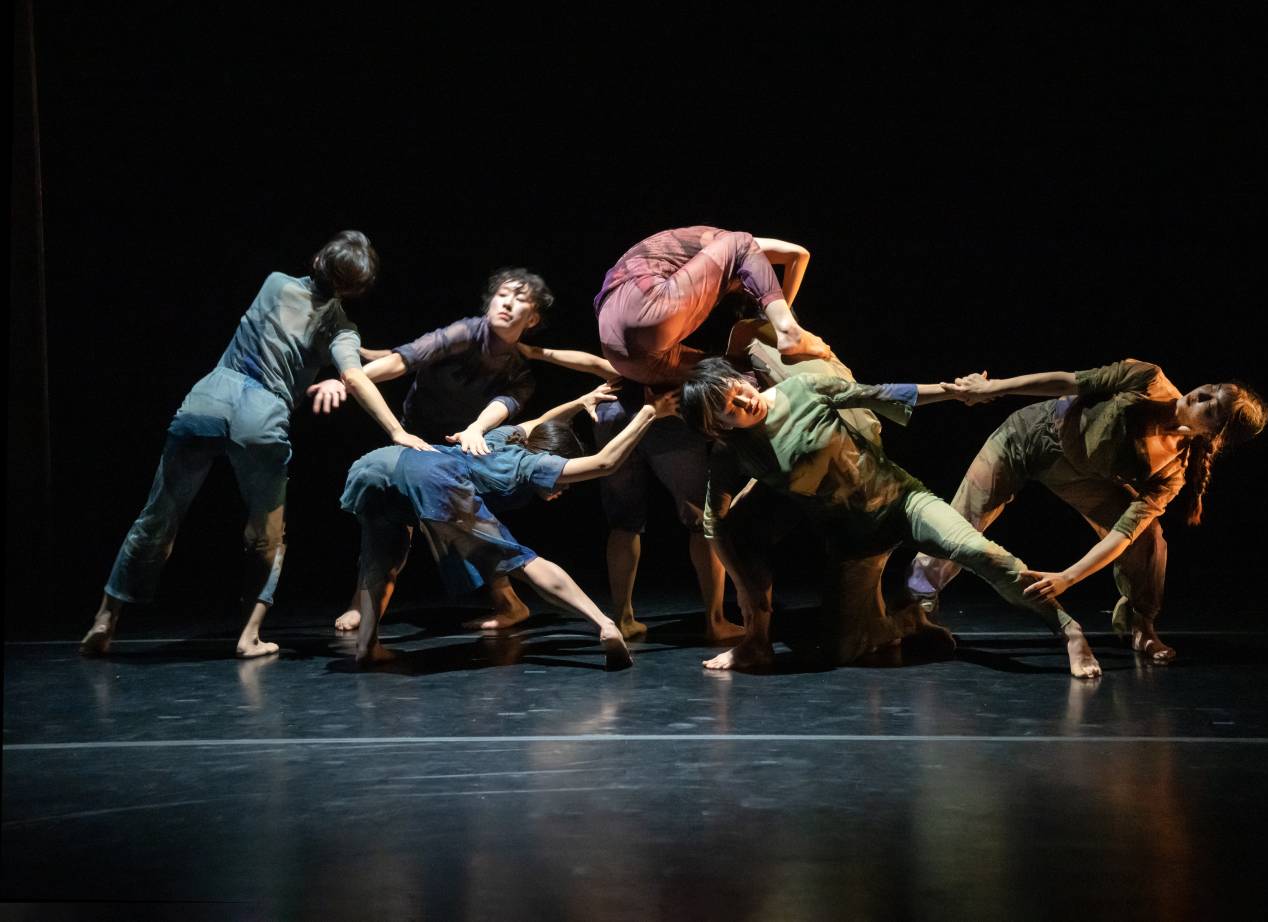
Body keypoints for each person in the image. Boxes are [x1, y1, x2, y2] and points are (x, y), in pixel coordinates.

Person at [81, 231, 431, 659]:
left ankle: (106, 617)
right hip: (260, 420)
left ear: (319, 258)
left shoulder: (274, 282)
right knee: (268, 536)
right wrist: (397, 430)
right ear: (355, 288)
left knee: (158, 516)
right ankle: (249, 636)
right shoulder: (340, 327)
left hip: (207, 401)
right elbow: (353, 376)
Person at [680, 360, 1103, 677]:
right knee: (841, 651)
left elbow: (878, 393)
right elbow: (715, 521)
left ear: (740, 378)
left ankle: (1067, 629)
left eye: (734, 390)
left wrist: (952, 391)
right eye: (729, 410)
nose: (741, 402)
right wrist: (745, 598)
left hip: (903, 502)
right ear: (717, 426)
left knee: (978, 551)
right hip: (851, 539)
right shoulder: (734, 453)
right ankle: (910, 619)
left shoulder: (802, 389)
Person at [911, 359, 1268, 664]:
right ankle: (920, 597)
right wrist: (994, 389)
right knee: (962, 519)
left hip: (1080, 476)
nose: (1201, 395)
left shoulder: (1172, 471)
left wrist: (1069, 576)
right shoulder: (1148, 378)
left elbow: (1120, 535)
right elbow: (1068, 381)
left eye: (1210, 407)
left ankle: (1140, 624)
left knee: (1148, 539)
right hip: (1029, 437)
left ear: (1212, 433)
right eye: (1212, 388)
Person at [314, 268, 610, 632]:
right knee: (395, 516)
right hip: (420, 435)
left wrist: (476, 428)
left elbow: (503, 409)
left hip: (464, 445)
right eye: (503, 295)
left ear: (532, 318)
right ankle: (361, 602)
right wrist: (352, 379)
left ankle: (509, 603)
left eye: (520, 301)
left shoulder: (521, 374)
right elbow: (403, 359)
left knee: (473, 520)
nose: (507, 304)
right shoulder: (465, 333)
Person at [590, 227, 829, 643]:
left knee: (625, 521)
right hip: (641, 338)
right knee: (702, 519)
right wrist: (781, 317)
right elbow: (797, 251)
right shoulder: (725, 247)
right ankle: (715, 619)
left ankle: (624, 619)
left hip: (625, 361)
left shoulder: (679, 282)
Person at [341, 383, 681, 669]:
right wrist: (649, 413)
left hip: (374, 466)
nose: (561, 491)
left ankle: (367, 647)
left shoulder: (505, 438)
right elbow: (605, 462)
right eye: (563, 484)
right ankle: (604, 625)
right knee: (522, 560)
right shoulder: (532, 464)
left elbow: (542, 423)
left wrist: (580, 403)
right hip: (431, 478)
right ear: (554, 460)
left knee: (383, 558)